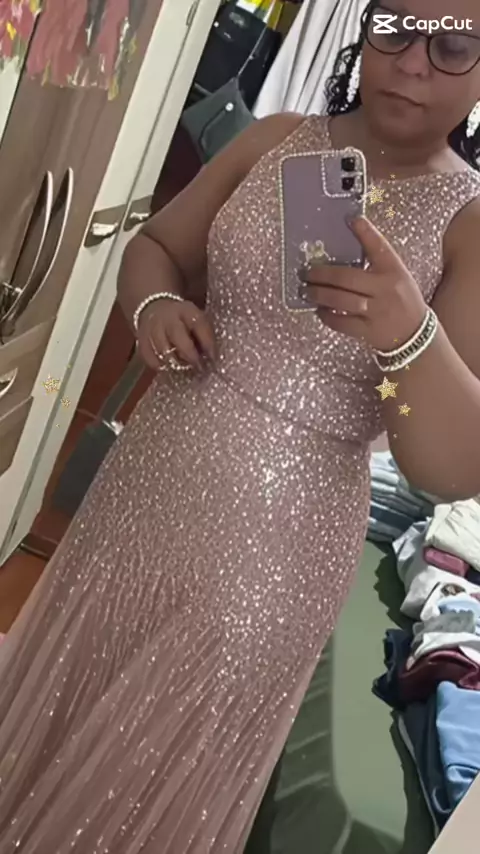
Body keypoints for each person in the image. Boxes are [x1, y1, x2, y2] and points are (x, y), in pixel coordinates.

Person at [1, 0, 480, 850]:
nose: (414, 61)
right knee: (74, 669)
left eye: (454, 45)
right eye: (396, 27)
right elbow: (155, 246)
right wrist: (154, 305)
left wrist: (409, 335)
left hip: (278, 545)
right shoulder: (277, 140)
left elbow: (446, 469)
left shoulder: (471, 224)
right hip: (153, 474)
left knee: (151, 759)